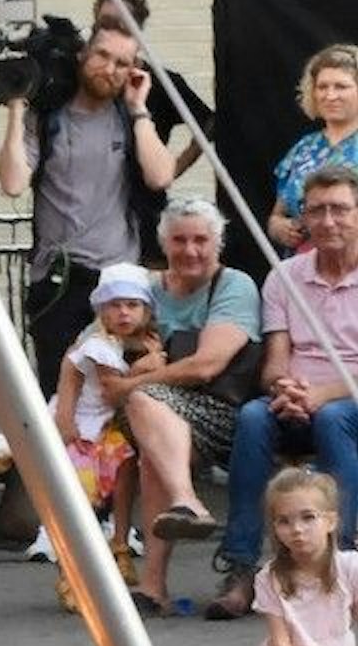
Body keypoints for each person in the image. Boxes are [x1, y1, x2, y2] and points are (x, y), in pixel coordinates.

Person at [0, 15, 180, 398]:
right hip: (60, 281)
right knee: (60, 394)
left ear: (134, 70)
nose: (109, 69)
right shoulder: (47, 117)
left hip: (119, 283)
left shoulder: (128, 119)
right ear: (83, 54)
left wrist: (140, 109)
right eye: (102, 55)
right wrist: (16, 105)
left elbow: (161, 176)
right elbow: (13, 183)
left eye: (122, 63)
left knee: (119, 397)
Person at [210, 164, 358, 620]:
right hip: (297, 399)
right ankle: (241, 566)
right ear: (304, 218)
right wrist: (286, 388)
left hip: (348, 401)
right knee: (255, 416)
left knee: (335, 419)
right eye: (317, 211)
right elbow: (275, 361)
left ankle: (343, 561)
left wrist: (324, 394)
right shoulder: (284, 277)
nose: (328, 221)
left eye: (340, 209)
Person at [99, 196, 260, 616]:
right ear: (164, 244)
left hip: (218, 414)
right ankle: (180, 517)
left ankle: (156, 578)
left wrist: (134, 380)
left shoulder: (234, 285)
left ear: (217, 243)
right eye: (179, 240)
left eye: (200, 240)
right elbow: (94, 342)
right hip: (148, 415)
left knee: (148, 421)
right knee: (151, 425)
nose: (190, 250)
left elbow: (208, 365)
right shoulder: (143, 288)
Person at [180, 469, 358, 646]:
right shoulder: (270, 577)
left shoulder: (350, 567)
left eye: (308, 517)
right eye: (284, 521)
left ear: (331, 521)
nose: (297, 530)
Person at [49, 262, 155, 610]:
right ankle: (71, 574)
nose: (124, 312)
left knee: (126, 469)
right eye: (115, 305)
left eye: (133, 305)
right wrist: (146, 368)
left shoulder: (130, 342)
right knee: (82, 499)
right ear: (101, 309)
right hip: (82, 429)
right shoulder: (99, 345)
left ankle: (120, 546)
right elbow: (112, 389)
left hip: (103, 429)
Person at [88, 0, 213, 257]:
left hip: (142, 209)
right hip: (90, 212)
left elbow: (208, 124)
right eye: (103, 23)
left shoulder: (162, 81)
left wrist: (174, 168)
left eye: (118, 24)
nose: (110, 31)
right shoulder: (82, 83)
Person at [269, 45, 358, 254]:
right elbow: (277, 216)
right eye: (322, 87)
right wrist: (280, 227)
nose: (330, 95)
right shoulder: (303, 148)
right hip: (302, 271)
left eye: (341, 86)